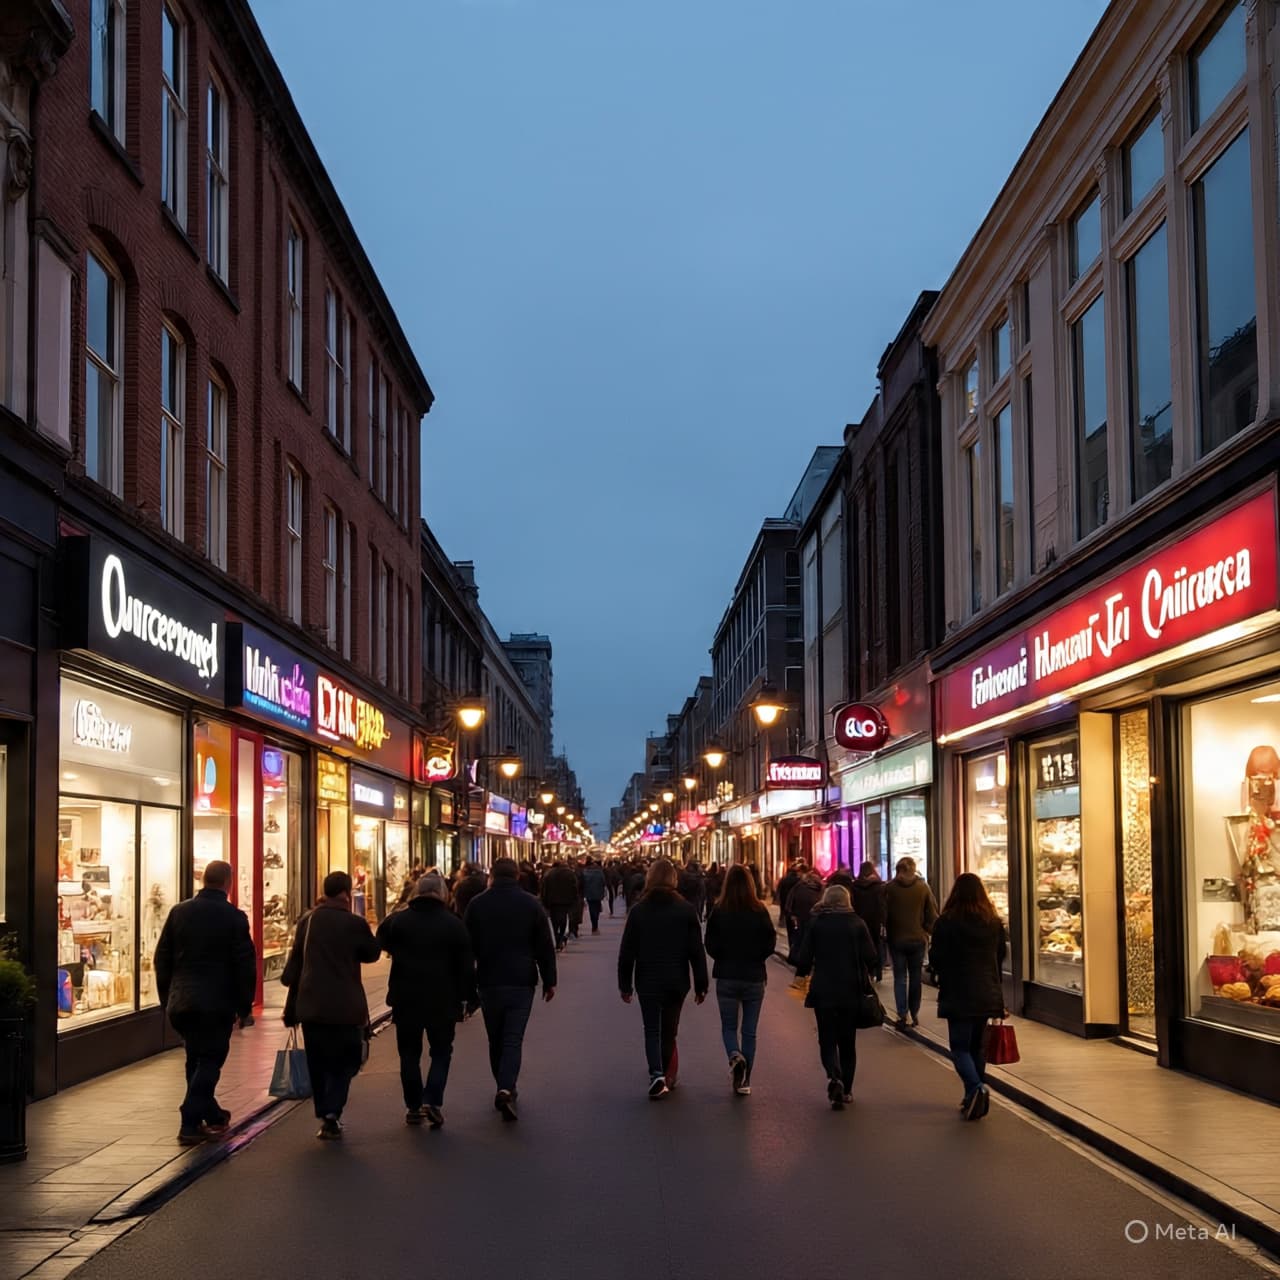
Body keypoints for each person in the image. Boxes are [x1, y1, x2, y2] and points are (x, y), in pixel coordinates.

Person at [154, 860, 256, 1145]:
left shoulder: (179, 912)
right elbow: (244, 964)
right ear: (228, 882)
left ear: (203, 881)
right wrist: (244, 1006)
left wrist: (167, 997)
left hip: (182, 1001)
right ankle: (189, 1120)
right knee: (210, 1059)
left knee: (195, 1058)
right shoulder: (234, 917)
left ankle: (211, 1115)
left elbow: (161, 959)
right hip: (216, 1003)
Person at [281, 871, 382, 1140]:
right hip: (346, 1006)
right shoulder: (354, 923)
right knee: (345, 1062)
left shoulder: (309, 921)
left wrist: (290, 1002)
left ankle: (325, 1112)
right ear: (347, 893)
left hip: (312, 1003)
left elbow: (295, 963)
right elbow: (372, 954)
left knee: (318, 1060)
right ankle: (333, 1111)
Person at [376, 873, 477, 1128]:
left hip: (405, 997)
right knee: (441, 1051)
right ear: (443, 893)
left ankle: (412, 1106)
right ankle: (432, 1099)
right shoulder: (454, 924)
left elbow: (380, 940)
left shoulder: (399, 921)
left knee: (409, 1053)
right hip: (443, 999)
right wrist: (469, 998)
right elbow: (466, 966)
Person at [464, 858, 557, 1122]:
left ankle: (503, 1085)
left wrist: (466, 984)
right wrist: (550, 979)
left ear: (491, 875)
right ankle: (506, 1087)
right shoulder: (530, 904)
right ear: (517, 876)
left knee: (495, 1038)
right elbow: (544, 946)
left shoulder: (477, 904)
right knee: (513, 1037)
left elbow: (465, 947)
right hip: (521, 979)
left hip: (489, 979)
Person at [617, 858, 708, 1100]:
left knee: (651, 1029)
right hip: (676, 980)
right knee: (670, 1030)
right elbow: (696, 951)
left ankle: (656, 1074)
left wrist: (624, 985)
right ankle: (664, 1072)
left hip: (647, 979)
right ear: (674, 880)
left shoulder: (638, 911)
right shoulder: (686, 910)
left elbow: (627, 951)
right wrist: (701, 984)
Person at [929, 873, 1007, 1121]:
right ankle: (971, 1097)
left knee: (960, 1047)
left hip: (958, 991)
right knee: (976, 1047)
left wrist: (939, 973)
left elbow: (936, 958)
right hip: (986, 991)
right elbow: (999, 957)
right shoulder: (993, 922)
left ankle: (976, 1088)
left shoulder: (946, 922)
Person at [793, 884, 878, 1110]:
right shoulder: (857, 924)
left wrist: (800, 978)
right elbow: (872, 957)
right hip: (851, 990)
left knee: (827, 1038)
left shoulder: (817, 923)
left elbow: (804, 957)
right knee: (847, 1042)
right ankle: (847, 1090)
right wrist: (870, 971)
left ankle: (834, 1075)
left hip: (824, 990)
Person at [704, 864, 776, 1096]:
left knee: (728, 1026)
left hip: (726, 975)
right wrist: (756, 958)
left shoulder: (719, 910)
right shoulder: (760, 910)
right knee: (750, 1030)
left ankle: (734, 1055)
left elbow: (710, 944)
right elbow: (770, 943)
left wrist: (723, 957)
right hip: (754, 976)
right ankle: (745, 1081)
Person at [885, 856, 939, 1029]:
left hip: (897, 939)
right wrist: (929, 931)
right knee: (916, 977)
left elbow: (883, 914)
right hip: (917, 939)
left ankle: (902, 1014)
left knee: (900, 977)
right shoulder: (923, 888)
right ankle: (914, 1013)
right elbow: (931, 913)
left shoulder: (889, 888)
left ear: (898, 870)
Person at [850, 861, 888, 983]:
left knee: (861, 946)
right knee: (877, 945)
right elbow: (882, 906)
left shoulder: (855, 886)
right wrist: (883, 921)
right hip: (875, 921)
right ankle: (877, 973)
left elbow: (853, 904)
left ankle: (864, 972)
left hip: (860, 920)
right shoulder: (879, 886)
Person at [540, 858, 578, 950]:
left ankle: (557, 938)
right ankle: (560, 937)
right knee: (563, 919)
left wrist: (544, 901)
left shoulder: (548, 874)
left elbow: (544, 889)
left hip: (552, 901)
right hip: (565, 901)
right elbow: (574, 888)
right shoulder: (570, 874)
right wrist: (573, 899)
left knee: (554, 921)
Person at [775, 859, 805, 956]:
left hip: (786, 903)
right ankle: (796, 949)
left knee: (790, 928)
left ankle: (792, 947)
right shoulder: (799, 882)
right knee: (797, 930)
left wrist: (778, 898)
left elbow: (779, 889)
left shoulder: (784, 879)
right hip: (795, 907)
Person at [581, 857, 608, 933]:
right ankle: (595, 925)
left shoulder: (585, 872)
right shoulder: (600, 872)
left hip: (589, 893)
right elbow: (603, 882)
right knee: (596, 908)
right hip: (598, 893)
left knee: (591, 908)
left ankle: (594, 925)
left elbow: (583, 883)